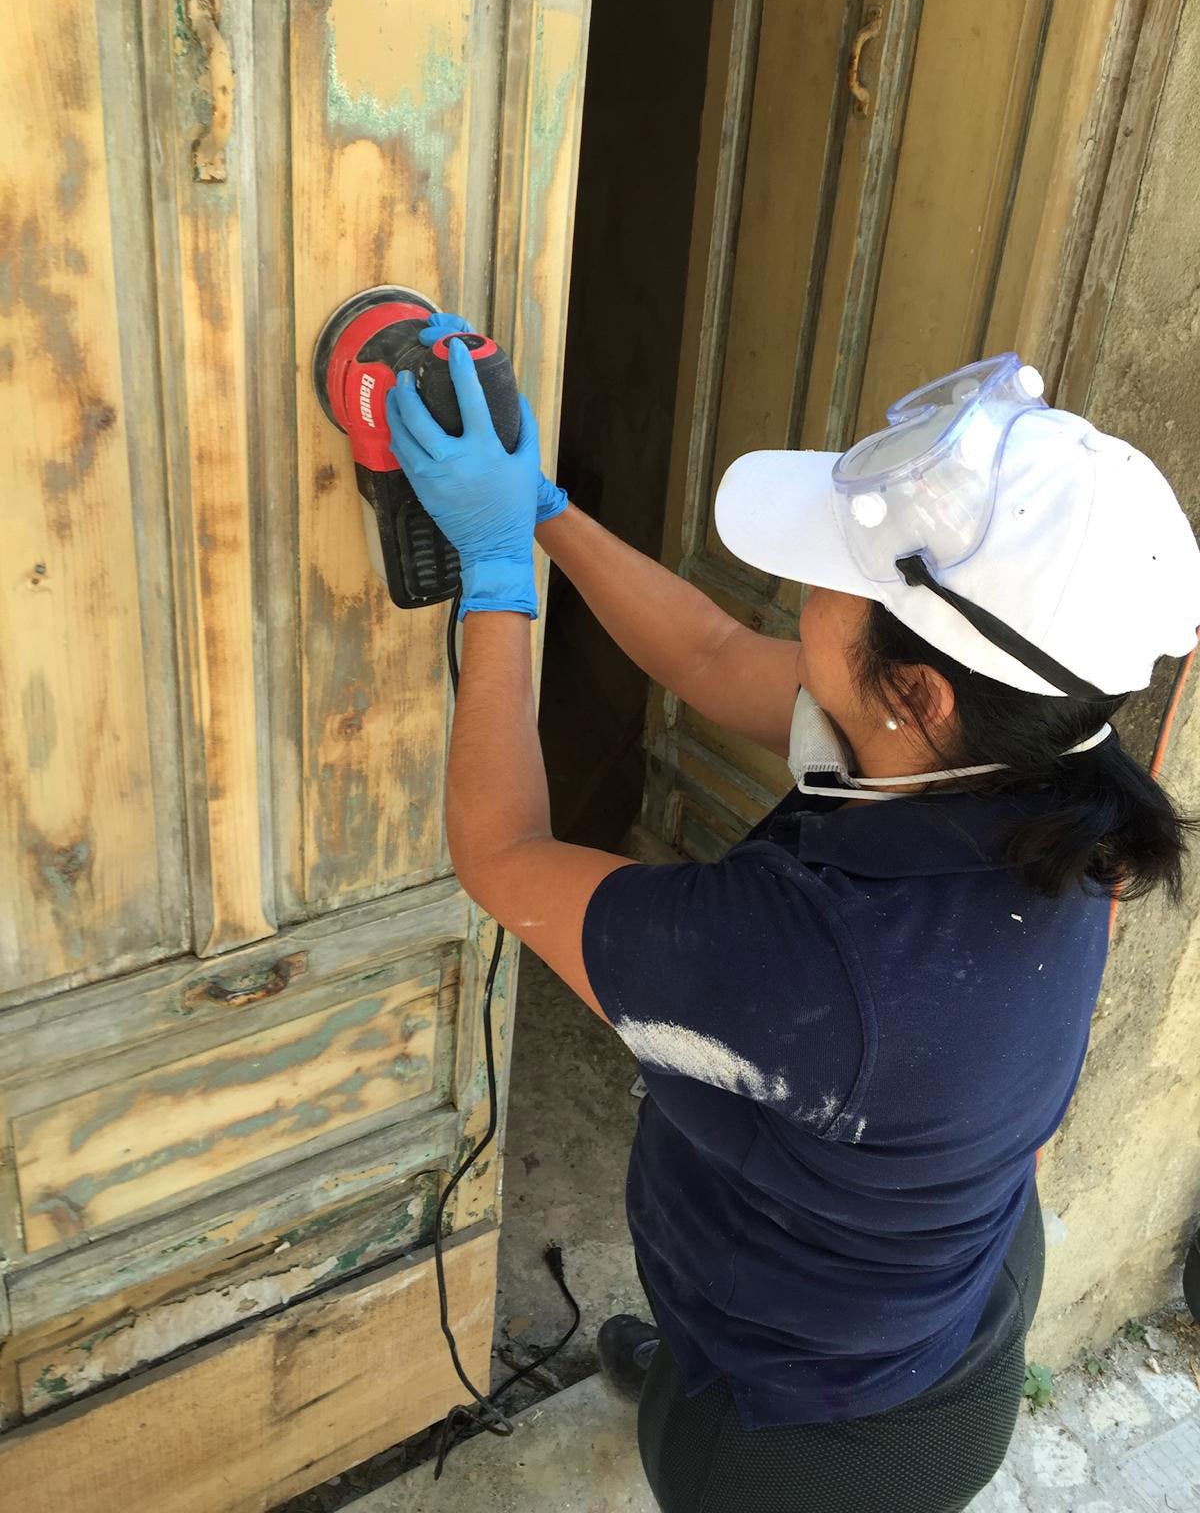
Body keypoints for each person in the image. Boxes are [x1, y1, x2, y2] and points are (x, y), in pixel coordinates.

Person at [387, 322, 1200, 1513]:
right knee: (737, 1328)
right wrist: (546, 508)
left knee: (704, 1442)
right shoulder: (1057, 773)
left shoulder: (807, 968)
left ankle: (696, 1388)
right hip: (958, 1298)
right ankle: (685, 1359)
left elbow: (502, 854)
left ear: (917, 695)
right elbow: (717, 655)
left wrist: (495, 574)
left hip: (796, 1453)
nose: (801, 585)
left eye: (837, 578)